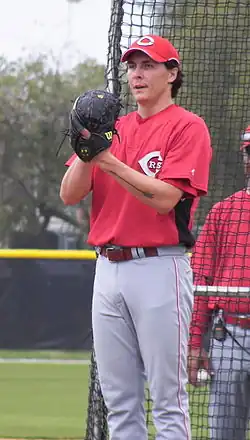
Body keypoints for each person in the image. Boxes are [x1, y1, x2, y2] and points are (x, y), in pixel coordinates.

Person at [60, 34, 212, 440]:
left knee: (168, 400)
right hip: (108, 269)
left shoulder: (188, 126)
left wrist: (107, 162)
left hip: (159, 266)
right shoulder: (115, 129)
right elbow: (69, 193)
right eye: (132, 66)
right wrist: (87, 148)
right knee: (119, 402)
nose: (137, 74)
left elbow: (164, 199)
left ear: (172, 73)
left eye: (148, 65)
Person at [188, 125, 250, 440]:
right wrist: (195, 343)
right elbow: (201, 284)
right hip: (232, 336)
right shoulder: (222, 213)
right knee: (225, 434)